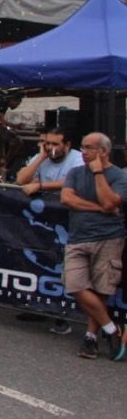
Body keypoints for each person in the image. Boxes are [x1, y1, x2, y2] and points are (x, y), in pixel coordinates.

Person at [61, 132, 127, 360]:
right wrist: (98, 208)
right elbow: (67, 199)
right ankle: (112, 329)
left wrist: (98, 172)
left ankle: (91, 337)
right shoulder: (75, 172)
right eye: (83, 147)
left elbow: (110, 201)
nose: (84, 152)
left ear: (104, 151)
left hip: (108, 238)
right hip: (78, 238)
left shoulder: (119, 175)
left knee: (100, 290)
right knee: (74, 284)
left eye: (89, 148)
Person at [17, 127, 84, 196]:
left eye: (55, 144)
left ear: (67, 145)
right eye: (48, 143)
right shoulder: (42, 156)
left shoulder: (78, 158)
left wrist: (40, 186)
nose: (50, 147)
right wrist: (40, 158)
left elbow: (75, 181)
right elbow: (20, 180)